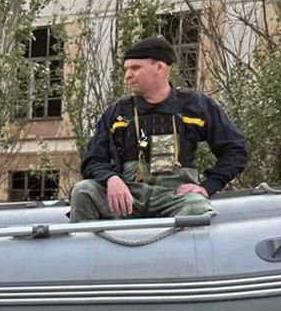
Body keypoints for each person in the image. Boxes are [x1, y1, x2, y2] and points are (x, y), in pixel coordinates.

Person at [70, 36, 249, 222]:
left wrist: (209, 186)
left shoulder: (196, 107)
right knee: (84, 191)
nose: (128, 75)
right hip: (128, 197)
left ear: (160, 67)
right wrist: (110, 178)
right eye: (126, 69)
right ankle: (88, 250)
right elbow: (92, 159)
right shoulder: (117, 112)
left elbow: (236, 150)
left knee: (198, 209)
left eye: (135, 68)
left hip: (173, 197)